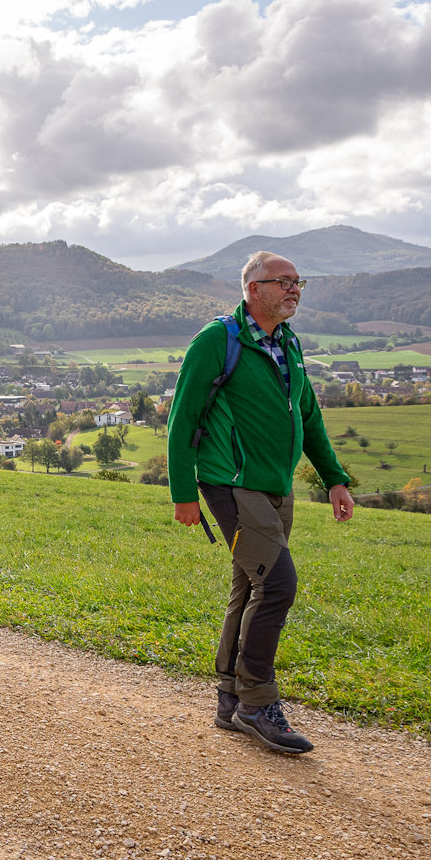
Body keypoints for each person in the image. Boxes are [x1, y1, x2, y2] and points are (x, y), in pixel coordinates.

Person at [168, 251, 355, 756]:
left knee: (250, 586)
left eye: (298, 281)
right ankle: (257, 703)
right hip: (231, 483)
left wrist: (335, 479)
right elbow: (182, 417)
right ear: (253, 288)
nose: (294, 289)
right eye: (283, 281)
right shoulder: (218, 339)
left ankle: (231, 699)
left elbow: (308, 416)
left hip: (276, 486)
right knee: (276, 585)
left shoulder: (287, 341)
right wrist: (184, 493)